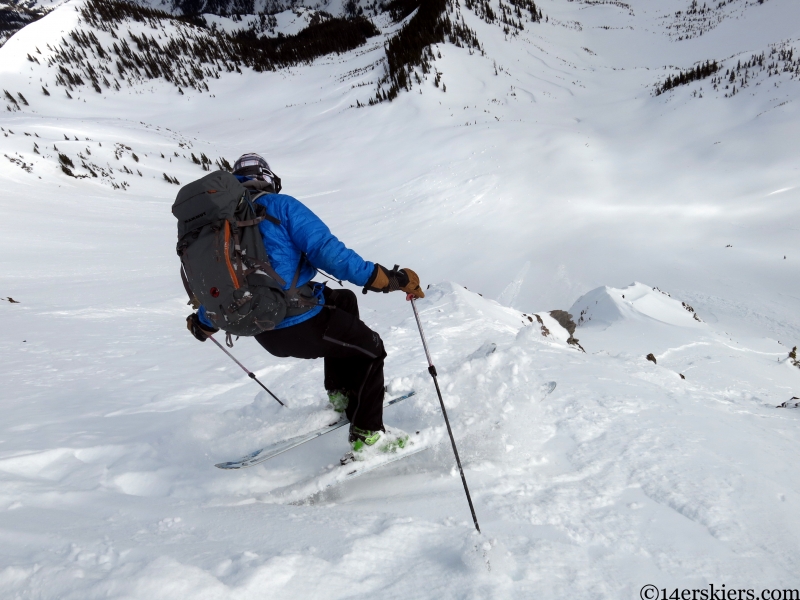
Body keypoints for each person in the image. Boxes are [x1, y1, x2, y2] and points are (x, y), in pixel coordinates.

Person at [185, 153, 424, 455]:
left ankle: (341, 394)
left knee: (343, 300)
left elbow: (228, 285)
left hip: (264, 328)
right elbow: (330, 254)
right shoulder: (280, 207)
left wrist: (204, 322)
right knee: (371, 349)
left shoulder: (223, 227)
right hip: (300, 325)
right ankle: (368, 435)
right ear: (270, 180)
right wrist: (388, 280)